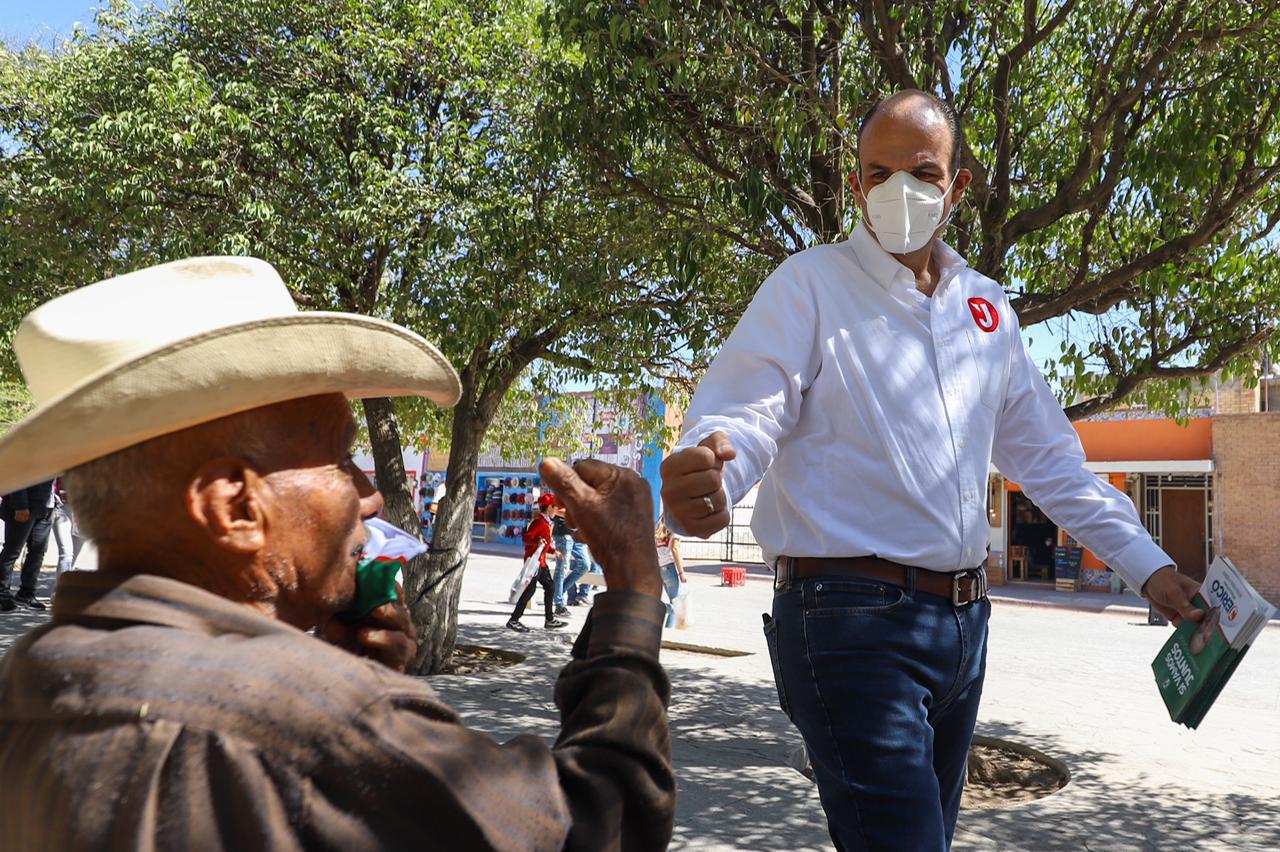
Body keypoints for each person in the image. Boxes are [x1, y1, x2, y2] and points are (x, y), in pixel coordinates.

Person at [660, 89, 1203, 850]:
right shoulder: (809, 285)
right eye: (877, 173)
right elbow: (748, 412)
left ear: (957, 184)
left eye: (921, 170)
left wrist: (1150, 567)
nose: (897, 193)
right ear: (854, 185)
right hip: (846, 619)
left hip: (964, 628)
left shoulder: (986, 310)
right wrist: (711, 476)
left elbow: (1051, 463)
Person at [0, 257, 674, 851]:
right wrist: (634, 583)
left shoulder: (30, 680)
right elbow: (603, 821)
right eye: (339, 454)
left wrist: (325, 666)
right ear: (234, 506)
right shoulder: (314, 718)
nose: (370, 494)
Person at [507, 491, 567, 631]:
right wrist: (536, 541)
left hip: (541, 563)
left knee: (550, 587)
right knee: (529, 591)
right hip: (534, 563)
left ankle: (549, 619)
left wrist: (553, 551)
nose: (557, 510)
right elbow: (526, 538)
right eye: (555, 507)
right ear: (549, 508)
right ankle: (514, 620)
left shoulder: (546, 522)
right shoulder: (539, 522)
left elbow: (544, 543)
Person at [0, 478, 56, 611]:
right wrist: (20, 505)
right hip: (25, 506)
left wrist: (55, 505)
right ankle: (2, 595)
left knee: (38, 551)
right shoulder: (31, 456)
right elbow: (19, 477)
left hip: (46, 506)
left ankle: (27, 593)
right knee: (12, 551)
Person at [552, 501, 593, 610]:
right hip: (563, 533)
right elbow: (555, 510)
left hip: (578, 535)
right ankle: (559, 603)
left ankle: (558, 593)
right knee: (561, 569)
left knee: (585, 566)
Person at [655, 521, 687, 629]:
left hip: (660, 569)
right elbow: (675, 549)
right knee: (677, 605)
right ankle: (655, 607)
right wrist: (681, 572)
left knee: (674, 601)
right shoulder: (676, 529)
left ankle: (669, 630)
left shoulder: (658, 528)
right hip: (670, 568)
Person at [50, 478, 85, 577]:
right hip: (61, 507)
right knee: (66, 554)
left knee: (73, 557)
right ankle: (60, 590)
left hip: (83, 510)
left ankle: (63, 586)